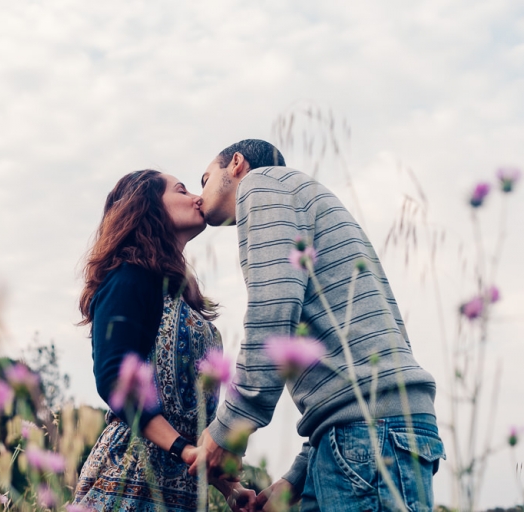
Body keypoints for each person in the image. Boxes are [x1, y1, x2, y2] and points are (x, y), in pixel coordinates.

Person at [188, 140, 445, 511]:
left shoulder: (261, 184)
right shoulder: (299, 198)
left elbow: (272, 307)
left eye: (205, 178)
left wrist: (229, 428)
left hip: (369, 432)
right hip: (369, 429)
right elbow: (346, 370)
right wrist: (296, 478)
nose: (199, 195)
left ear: (237, 164)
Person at [73, 170, 256, 512]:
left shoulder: (182, 296)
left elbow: (193, 423)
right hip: (128, 478)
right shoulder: (127, 277)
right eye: (182, 190)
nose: (198, 198)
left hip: (184, 493)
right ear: (147, 205)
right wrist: (182, 449)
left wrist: (231, 489)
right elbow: (114, 378)